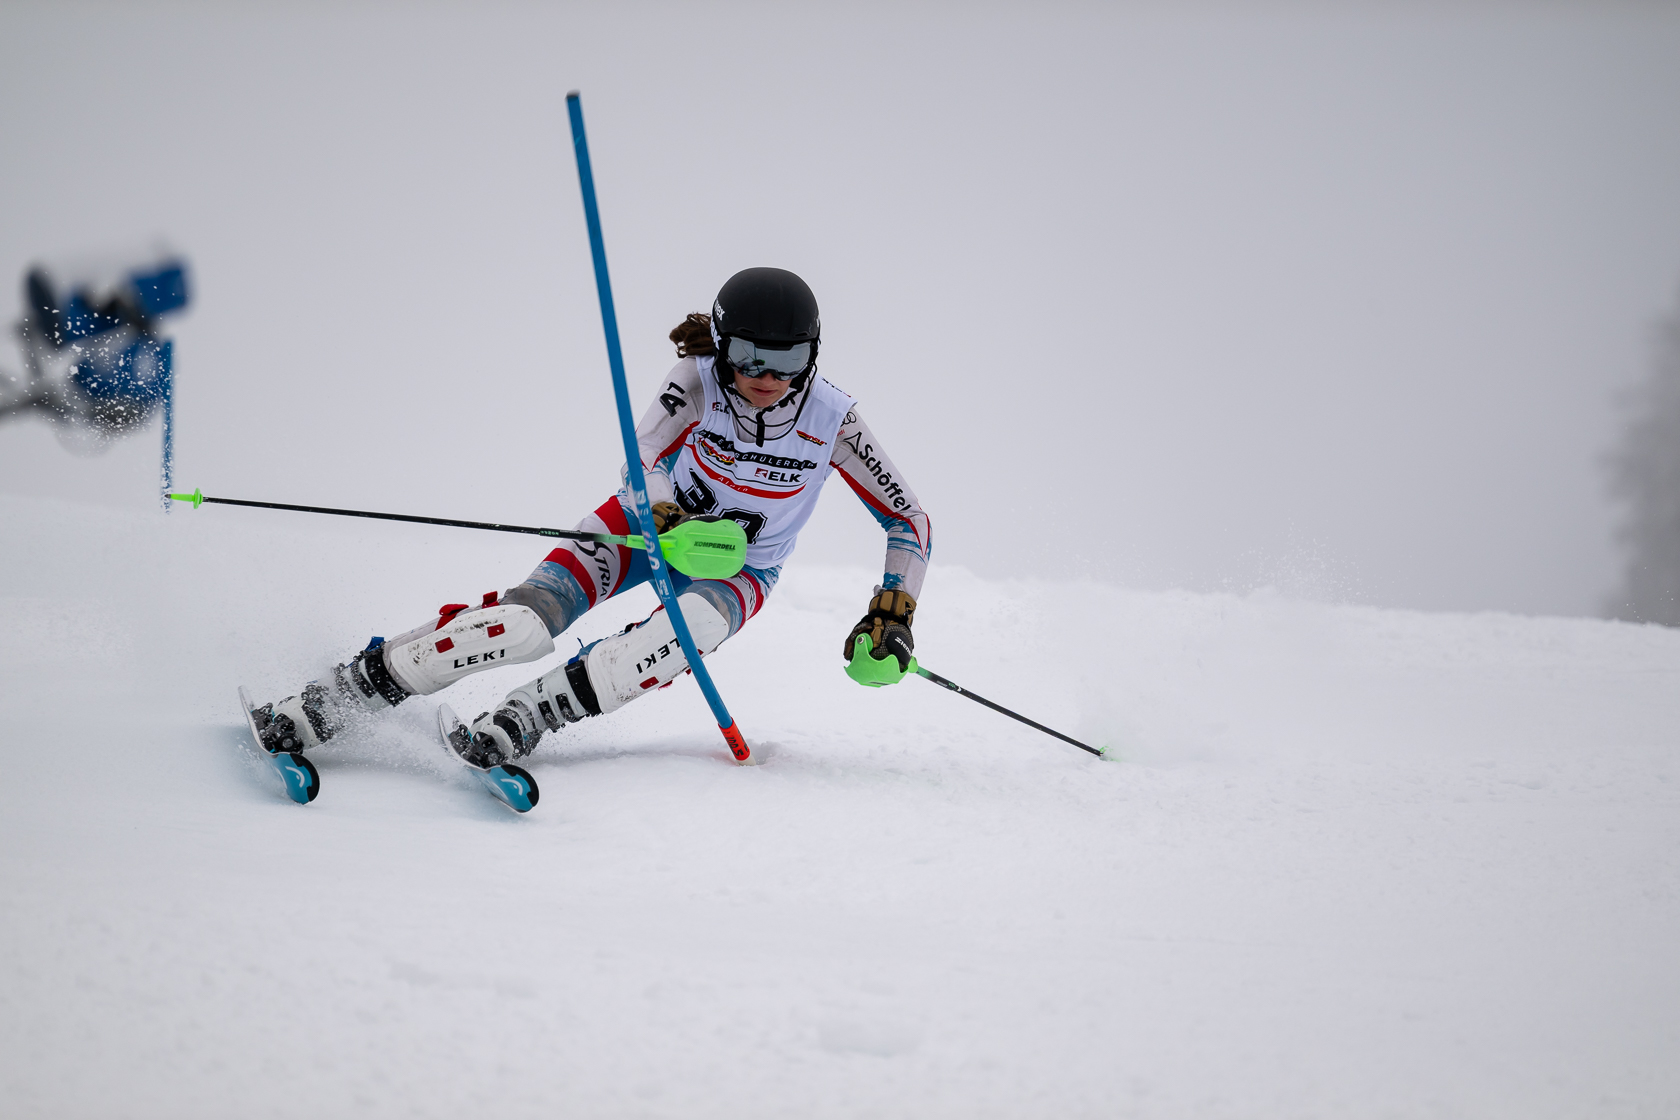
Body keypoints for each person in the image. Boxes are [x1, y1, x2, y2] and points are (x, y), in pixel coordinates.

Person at [251, 267, 931, 766]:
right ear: (722, 345)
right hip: (643, 531)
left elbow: (910, 520)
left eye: (790, 359)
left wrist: (893, 610)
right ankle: (345, 691)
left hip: (741, 571)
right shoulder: (696, 380)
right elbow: (641, 461)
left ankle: (530, 715)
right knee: (520, 625)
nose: (769, 376)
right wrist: (666, 519)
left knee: (687, 629)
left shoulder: (832, 420)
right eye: (751, 355)